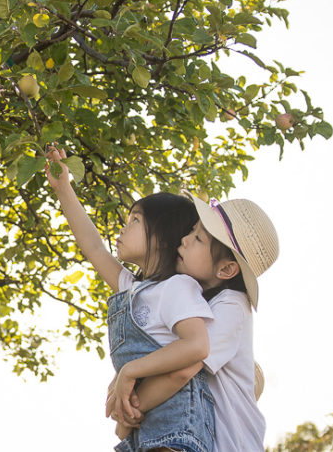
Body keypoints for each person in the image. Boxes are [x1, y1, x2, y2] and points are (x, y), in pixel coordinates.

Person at [45, 146, 216, 452]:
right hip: (144, 434)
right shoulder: (133, 288)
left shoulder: (177, 288)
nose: (123, 227)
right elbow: (94, 247)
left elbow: (197, 346)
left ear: (162, 237)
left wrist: (130, 372)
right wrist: (63, 188)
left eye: (135, 220)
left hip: (178, 432)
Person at [108, 194, 279, 452]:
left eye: (198, 238)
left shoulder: (232, 306)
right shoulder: (193, 300)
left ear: (226, 270)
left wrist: (127, 412)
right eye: (191, 231)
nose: (185, 240)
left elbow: (183, 369)